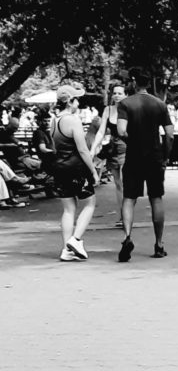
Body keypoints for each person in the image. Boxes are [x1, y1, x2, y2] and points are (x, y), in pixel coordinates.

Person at [116, 69, 174, 261]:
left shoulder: (125, 104)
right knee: (156, 198)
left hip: (133, 156)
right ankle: (159, 243)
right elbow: (170, 134)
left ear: (134, 82)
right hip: (154, 156)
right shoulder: (160, 104)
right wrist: (165, 155)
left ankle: (127, 237)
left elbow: (121, 130)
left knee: (129, 198)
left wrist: (133, 140)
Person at [51, 84, 99, 261]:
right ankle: (76, 240)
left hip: (60, 166)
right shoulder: (73, 120)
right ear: (70, 101)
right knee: (90, 203)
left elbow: (56, 145)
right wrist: (93, 171)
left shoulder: (54, 120)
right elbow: (83, 149)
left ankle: (66, 249)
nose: (79, 102)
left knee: (68, 208)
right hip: (75, 167)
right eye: (76, 98)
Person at [91, 83, 128, 226]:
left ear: (125, 95)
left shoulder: (129, 109)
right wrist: (94, 147)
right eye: (115, 93)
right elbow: (101, 131)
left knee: (125, 183)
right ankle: (122, 215)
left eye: (120, 93)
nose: (117, 96)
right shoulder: (108, 109)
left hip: (126, 147)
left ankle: (126, 215)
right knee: (118, 184)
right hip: (113, 148)